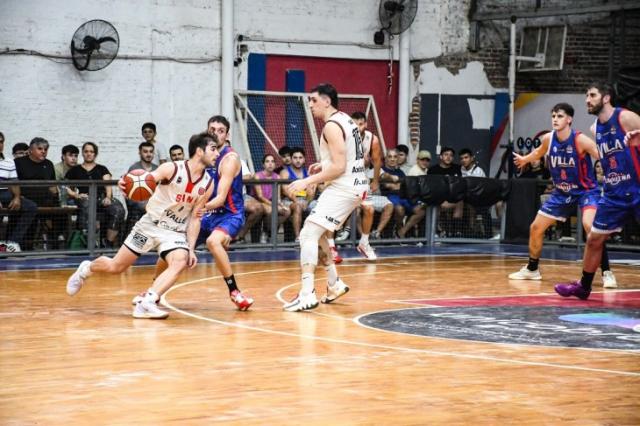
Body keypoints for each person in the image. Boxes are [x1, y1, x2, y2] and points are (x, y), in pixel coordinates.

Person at [66, 132, 218, 319]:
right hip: (149, 225)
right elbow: (145, 178)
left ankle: (147, 302)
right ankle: (86, 269)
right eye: (213, 149)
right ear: (199, 151)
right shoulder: (172, 168)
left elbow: (195, 218)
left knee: (180, 260)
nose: (217, 153)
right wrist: (126, 182)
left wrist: (191, 248)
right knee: (116, 267)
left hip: (174, 232)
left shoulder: (208, 183)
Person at [283, 83, 369, 312]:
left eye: (314, 100)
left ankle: (307, 294)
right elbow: (349, 156)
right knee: (318, 232)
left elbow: (339, 167)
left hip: (344, 187)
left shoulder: (331, 126)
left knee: (307, 234)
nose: (310, 105)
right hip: (354, 185)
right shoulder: (346, 119)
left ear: (327, 101)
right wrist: (324, 165)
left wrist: (306, 181)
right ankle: (334, 284)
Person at [510, 102, 616, 287]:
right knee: (536, 228)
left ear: (569, 119)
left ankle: (607, 272)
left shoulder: (580, 140)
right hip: (561, 192)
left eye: (559, 116)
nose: (555, 119)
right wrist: (525, 159)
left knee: (591, 227)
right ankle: (532, 269)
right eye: (553, 116)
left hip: (586, 191)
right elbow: (539, 152)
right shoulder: (548, 139)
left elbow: (603, 156)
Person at [554, 82, 640, 299]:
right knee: (593, 239)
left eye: (592, 95)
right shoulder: (595, 129)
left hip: (637, 189)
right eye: (586, 96)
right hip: (613, 194)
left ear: (606, 97)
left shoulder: (625, 117)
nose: (587, 100)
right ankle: (584, 287)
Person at [65, 142, 125, 248]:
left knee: (118, 209)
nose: (89, 154)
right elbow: (65, 187)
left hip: (101, 198)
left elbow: (108, 184)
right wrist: (76, 195)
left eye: (91, 152)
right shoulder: (75, 170)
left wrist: (108, 197)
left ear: (95, 154)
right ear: (82, 153)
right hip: (85, 199)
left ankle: (107, 243)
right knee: (87, 205)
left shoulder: (102, 168)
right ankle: (89, 243)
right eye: (86, 151)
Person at [351, 110, 385, 260]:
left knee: (369, 209)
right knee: (337, 214)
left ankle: (364, 243)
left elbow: (377, 161)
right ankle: (331, 246)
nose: (357, 127)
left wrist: (375, 180)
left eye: (360, 124)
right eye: (354, 124)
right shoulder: (345, 137)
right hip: (344, 179)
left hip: (361, 179)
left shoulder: (372, 139)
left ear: (365, 124)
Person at [0, 139, 37, 252]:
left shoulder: (9, 162)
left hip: (5, 193)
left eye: (1, 142)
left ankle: (12, 243)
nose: (0, 144)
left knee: (31, 207)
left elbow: (14, 181)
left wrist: (17, 197)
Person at [280, 147, 316, 242]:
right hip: (289, 201)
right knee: (298, 206)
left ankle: (316, 237)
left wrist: (307, 202)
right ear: (291, 159)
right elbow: (286, 191)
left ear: (304, 159)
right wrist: (297, 200)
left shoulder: (308, 173)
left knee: (318, 207)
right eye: (295, 158)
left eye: (300, 158)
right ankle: (298, 238)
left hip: (306, 200)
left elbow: (311, 192)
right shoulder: (285, 172)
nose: (298, 160)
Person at [254, 154, 291, 242]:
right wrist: (273, 205)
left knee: (287, 211)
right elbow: (260, 196)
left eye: (272, 161)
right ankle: (265, 232)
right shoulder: (257, 176)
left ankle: (268, 231)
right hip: (260, 202)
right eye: (267, 161)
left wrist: (281, 205)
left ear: (275, 165)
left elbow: (277, 197)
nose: (270, 164)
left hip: (272, 202)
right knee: (271, 210)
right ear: (263, 165)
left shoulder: (277, 177)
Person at [125, 142, 159, 233]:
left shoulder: (157, 169)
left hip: (153, 202)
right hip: (137, 201)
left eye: (151, 151)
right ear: (140, 153)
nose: (148, 154)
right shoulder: (134, 168)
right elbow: (130, 192)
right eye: (145, 151)